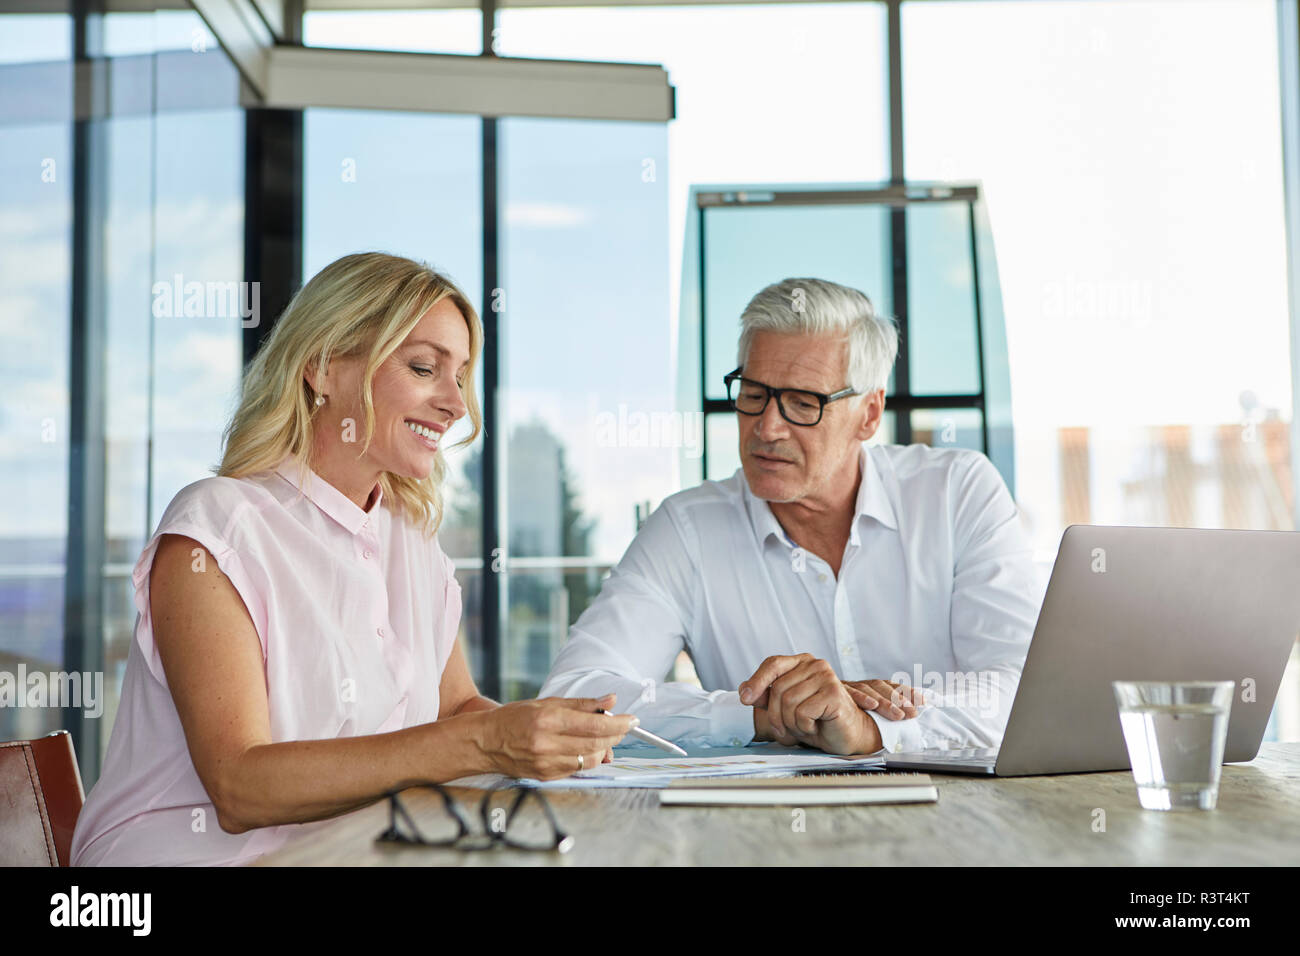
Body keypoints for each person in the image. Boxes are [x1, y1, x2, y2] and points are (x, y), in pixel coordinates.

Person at [71, 252, 636, 866]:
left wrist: (546, 733)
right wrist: (487, 741)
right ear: (320, 367)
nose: (456, 404)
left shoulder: (412, 537)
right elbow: (239, 787)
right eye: (425, 367)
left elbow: (456, 708)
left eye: (461, 376)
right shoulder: (215, 530)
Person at [539, 277, 1040, 755]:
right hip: (766, 831)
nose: (767, 428)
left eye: (803, 403)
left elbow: (1024, 690)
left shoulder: (956, 492)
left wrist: (870, 727)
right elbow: (576, 695)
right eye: (754, 395)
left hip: (957, 819)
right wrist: (766, 716)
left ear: (869, 414)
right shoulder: (688, 528)